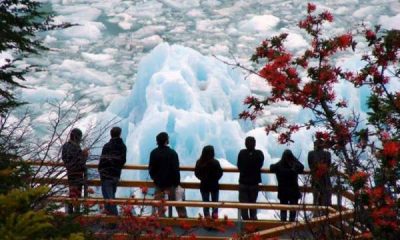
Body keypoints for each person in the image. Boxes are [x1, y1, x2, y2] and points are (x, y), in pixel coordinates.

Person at [148, 132, 187, 218]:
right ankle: (183, 218)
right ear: (166, 141)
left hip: (159, 183)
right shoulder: (172, 153)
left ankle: (162, 219)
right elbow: (175, 169)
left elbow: (151, 168)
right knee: (178, 201)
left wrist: (155, 179)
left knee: (159, 203)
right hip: (171, 183)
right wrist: (177, 183)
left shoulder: (153, 153)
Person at [98, 127, 127, 215]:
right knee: (111, 197)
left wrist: (101, 171)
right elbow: (123, 160)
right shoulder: (122, 146)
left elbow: (102, 160)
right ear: (120, 134)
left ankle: (113, 220)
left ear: (111, 134)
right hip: (116, 175)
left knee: (108, 199)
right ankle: (110, 220)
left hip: (106, 176)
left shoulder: (107, 146)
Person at [270, 149, 304, 222]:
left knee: (283, 209)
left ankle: (283, 223)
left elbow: (271, 168)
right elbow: (301, 167)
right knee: (293, 209)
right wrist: (294, 160)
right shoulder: (294, 166)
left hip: (283, 191)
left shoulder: (279, 165)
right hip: (293, 191)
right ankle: (291, 223)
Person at [61, 128, 89, 214]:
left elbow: (64, 159)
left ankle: (70, 213)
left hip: (70, 173)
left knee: (72, 193)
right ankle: (76, 215)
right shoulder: (76, 147)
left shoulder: (65, 146)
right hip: (78, 174)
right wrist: (84, 155)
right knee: (77, 194)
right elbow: (80, 163)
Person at [237, 136, 264, 220]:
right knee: (253, 204)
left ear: (245, 144)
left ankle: (245, 223)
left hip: (243, 182)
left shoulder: (242, 153)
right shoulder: (259, 153)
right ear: (255, 144)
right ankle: (253, 222)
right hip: (254, 183)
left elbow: (239, 165)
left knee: (244, 205)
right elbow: (260, 164)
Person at [195, 145, 223, 219]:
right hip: (214, 186)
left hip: (204, 185)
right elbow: (220, 173)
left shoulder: (199, 162)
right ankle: (215, 219)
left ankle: (207, 220)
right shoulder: (215, 162)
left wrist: (202, 179)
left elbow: (196, 173)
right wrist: (215, 179)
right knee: (215, 204)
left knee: (206, 204)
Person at [308, 139, 332, 206]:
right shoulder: (328, 154)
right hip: (325, 179)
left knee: (315, 199)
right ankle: (325, 214)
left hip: (316, 178)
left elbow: (310, 166)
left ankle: (316, 214)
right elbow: (329, 166)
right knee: (325, 199)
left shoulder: (311, 153)